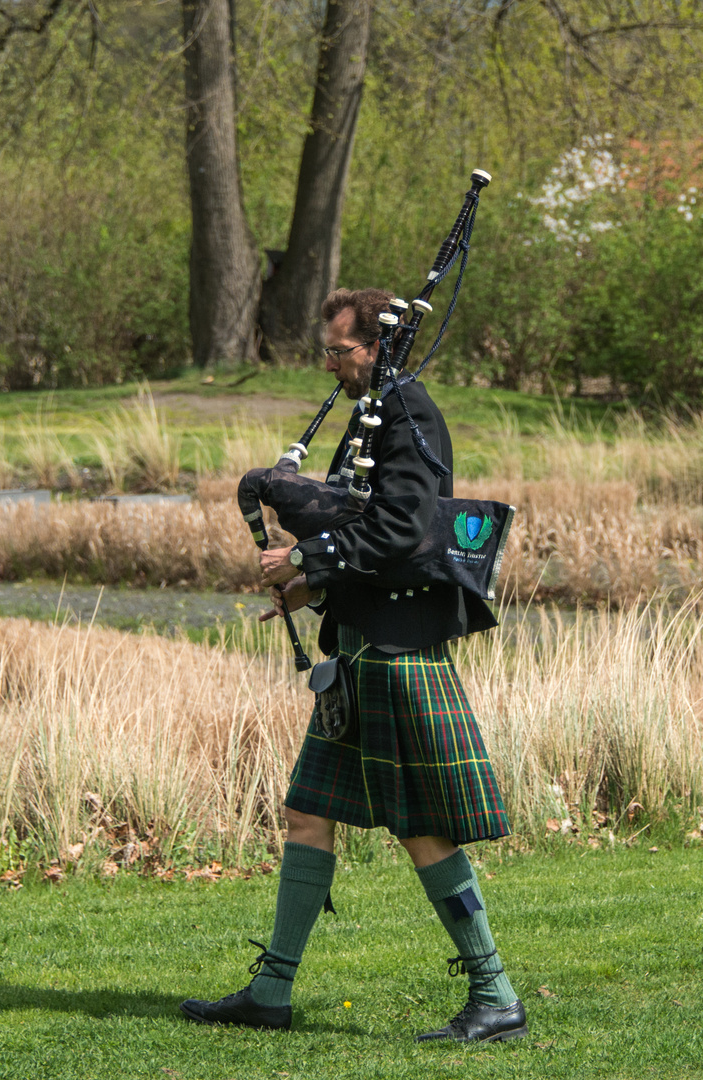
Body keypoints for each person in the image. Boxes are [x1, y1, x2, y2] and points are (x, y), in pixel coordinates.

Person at [179, 287, 526, 1044]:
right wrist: (311, 587)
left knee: (422, 828)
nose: (331, 364)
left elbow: (404, 530)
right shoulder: (374, 415)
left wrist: (303, 552)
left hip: (398, 650)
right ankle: (272, 991)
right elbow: (360, 521)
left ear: (380, 347)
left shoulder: (408, 412)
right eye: (328, 351)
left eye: (342, 351)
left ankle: (496, 995)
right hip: (363, 642)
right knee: (308, 813)